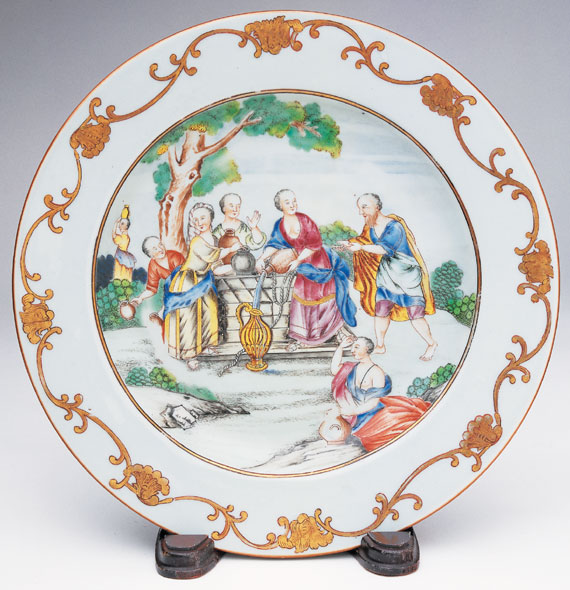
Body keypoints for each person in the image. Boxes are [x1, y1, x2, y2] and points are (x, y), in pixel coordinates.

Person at [339, 193, 437, 361]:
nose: (361, 212)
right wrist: (350, 245)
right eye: (360, 208)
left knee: (415, 313)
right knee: (381, 310)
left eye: (365, 207)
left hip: (406, 275)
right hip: (386, 275)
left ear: (377, 207)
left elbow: (383, 249)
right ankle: (380, 345)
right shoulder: (370, 226)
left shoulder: (395, 227)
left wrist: (360, 248)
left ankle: (431, 343)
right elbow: (364, 241)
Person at [256, 189, 357, 350]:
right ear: (280, 205)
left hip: (318, 263)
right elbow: (275, 244)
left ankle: (338, 333)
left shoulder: (305, 220)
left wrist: (298, 260)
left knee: (325, 295)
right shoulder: (279, 225)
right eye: (287, 202)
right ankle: (304, 338)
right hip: (302, 268)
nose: (292, 205)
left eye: (294, 201)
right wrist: (262, 258)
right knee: (302, 297)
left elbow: (314, 244)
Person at [164, 202, 240, 369]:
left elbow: (215, 266)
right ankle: (189, 354)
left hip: (204, 280)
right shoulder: (196, 241)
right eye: (196, 220)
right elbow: (213, 256)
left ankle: (206, 346)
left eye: (203, 218)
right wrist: (231, 249)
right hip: (188, 282)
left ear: (211, 218)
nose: (199, 222)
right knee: (190, 316)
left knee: (209, 309)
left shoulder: (214, 239)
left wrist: (234, 268)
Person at [329, 336, 430, 451]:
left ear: (367, 349)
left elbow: (373, 402)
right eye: (352, 347)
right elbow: (334, 370)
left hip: (373, 413)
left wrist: (352, 412)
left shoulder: (376, 372)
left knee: (383, 434)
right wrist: (341, 347)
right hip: (354, 413)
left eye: (356, 347)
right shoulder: (351, 368)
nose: (352, 350)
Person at [130, 237, 185, 327]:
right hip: (173, 290)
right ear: (150, 255)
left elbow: (181, 278)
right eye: (155, 248)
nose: (160, 249)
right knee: (169, 283)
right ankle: (162, 316)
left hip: (187, 284)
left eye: (160, 244)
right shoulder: (153, 265)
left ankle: (161, 314)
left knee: (169, 282)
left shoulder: (175, 256)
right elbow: (152, 288)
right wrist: (140, 298)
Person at [112, 216, 136, 281]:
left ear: (126, 226)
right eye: (120, 223)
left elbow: (113, 236)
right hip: (124, 255)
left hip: (121, 255)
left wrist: (115, 223)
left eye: (122, 223)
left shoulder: (122, 238)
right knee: (124, 273)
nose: (119, 225)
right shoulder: (126, 237)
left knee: (119, 272)